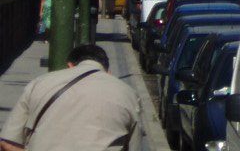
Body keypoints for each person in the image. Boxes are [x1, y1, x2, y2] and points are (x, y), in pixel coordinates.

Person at [0, 43, 141, 151]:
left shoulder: (39, 83)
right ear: (108, 71)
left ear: (70, 65)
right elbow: (134, 145)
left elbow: (7, 142)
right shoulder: (127, 93)